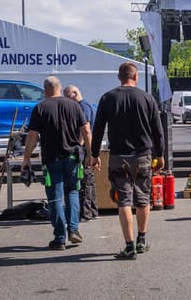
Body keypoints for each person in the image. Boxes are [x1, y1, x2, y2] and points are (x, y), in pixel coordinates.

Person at [91, 62, 165, 260]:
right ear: (136, 77)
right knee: (142, 198)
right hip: (143, 155)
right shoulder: (147, 99)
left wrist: (94, 153)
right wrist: (160, 154)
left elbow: (97, 128)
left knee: (123, 199)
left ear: (119, 77)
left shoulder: (108, 98)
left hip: (119, 156)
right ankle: (141, 240)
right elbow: (158, 130)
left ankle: (129, 245)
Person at [21, 76, 91, 250]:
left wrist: (26, 159)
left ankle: (60, 238)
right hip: (73, 158)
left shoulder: (41, 107)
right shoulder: (74, 105)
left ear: (45, 90)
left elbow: (32, 136)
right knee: (73, 193)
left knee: (55, 198)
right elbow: (86, 130)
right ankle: (74, 230)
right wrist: (91, 153)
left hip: (52, 160)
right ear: (59, 88)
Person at [63, 85, 98, 221]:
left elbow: (85, 128)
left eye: (67, 96)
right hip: (86, 148)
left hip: (83, 148)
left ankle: (85, 213)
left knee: (84, 180)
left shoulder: (83, 107)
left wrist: (78, 146)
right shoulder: (85, 106)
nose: (66, 100)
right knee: (89, 180)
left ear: (74, 94)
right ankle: (93, 210)